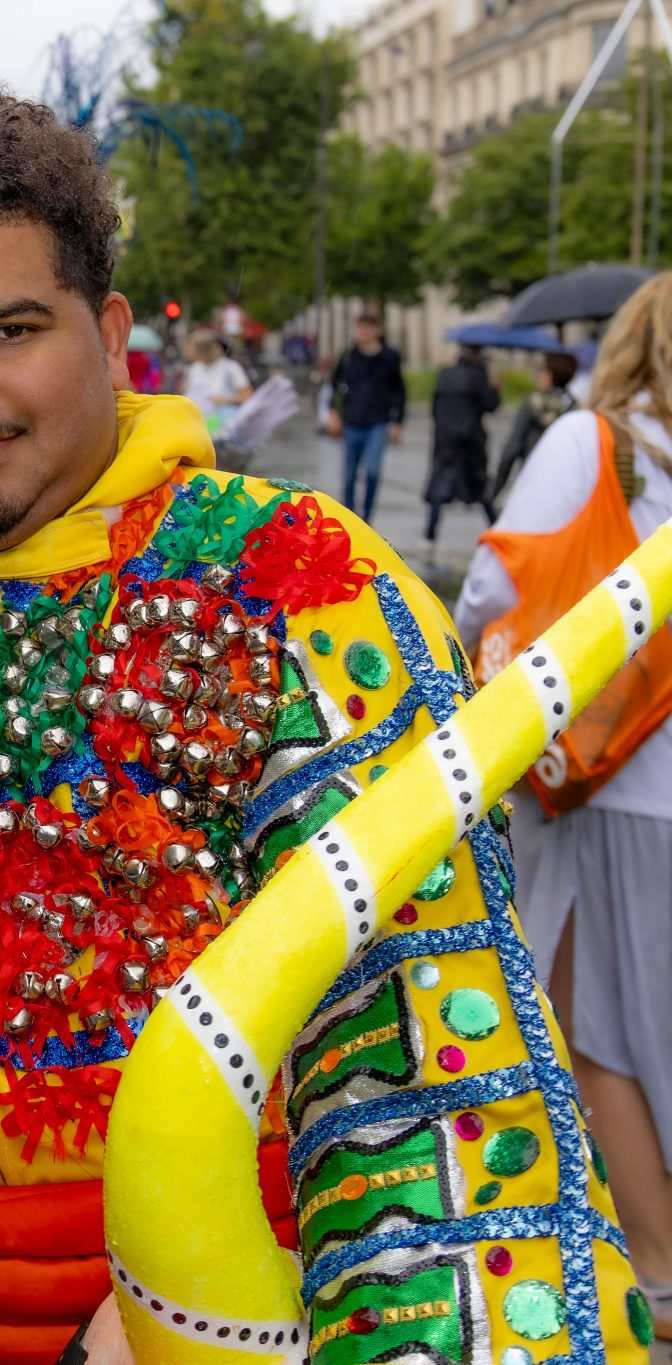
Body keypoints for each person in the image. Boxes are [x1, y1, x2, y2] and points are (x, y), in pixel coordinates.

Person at [0, 81, 653, 1365]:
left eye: (10, 328)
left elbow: (410, 1027)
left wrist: (190, 1299)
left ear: (108, 334)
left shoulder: (287, 582)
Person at [456, 273, 672, 1340]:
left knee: (596, 1029)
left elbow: (496, 591)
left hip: (608, 779)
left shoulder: (597, 445)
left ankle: (661, 1270)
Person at [326, 311, 406, 521]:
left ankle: (367, 516)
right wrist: (333, 414)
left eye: (368, 328)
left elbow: (399, 390)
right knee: (349, 474)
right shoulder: (348, 355)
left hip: (378, 421)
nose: (363, 333)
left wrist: (398, 422)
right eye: (361, 328)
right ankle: (349, 517)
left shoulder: (389, 357)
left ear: (377, 331)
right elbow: (335, 386)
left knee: (372, 470)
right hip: (351, 419)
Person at [424, 343, 502, 542]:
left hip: (445, 439)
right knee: (481, 487)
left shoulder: (445, 374)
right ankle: (499, 529)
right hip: (470, 441)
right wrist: (495, 388)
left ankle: (430, 532)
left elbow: (434, 408)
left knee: (440, 487)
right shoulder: (478, 377)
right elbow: (490, 405)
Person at [493, 350, 581, 495]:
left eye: (542, 370)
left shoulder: (532, 405)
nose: (539, 375)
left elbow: (513, 447)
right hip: (565, 483)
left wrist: (497, 487)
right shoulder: (574, 408)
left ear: (550, 374)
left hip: (533, 477)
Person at [180, 329, 252, 431]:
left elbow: (247, 394)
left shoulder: (230, 368)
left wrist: (226, 399)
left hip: (219, 424)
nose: (187, 351)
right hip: (195, 423)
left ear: (201, 349)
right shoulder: (195, 368)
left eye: (191, 348)